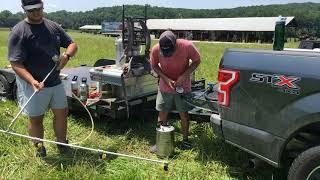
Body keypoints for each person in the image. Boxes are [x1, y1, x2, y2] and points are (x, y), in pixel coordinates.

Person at [7, 0, 78, 157]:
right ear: (24, 9)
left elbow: (72, 44)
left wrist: (66, 55)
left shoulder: (52, 26)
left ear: (42, 5)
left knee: (61, 113)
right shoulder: (19, 31)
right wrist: (32, 80)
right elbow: (15, 63)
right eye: (31, 10)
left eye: (38, 8)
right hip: (33, 85)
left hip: (55, 81)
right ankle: (40, 148)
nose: (36, 13)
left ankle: (61, 143)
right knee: (36, 119)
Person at [150, 30, 201, 150]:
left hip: (182, 86)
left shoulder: (187, 46)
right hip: (164, 85)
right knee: (162, 112)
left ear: (175, 43)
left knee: (183, 113)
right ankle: (160, 142)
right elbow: (154, 65)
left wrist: (184, 75)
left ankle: (185, 140)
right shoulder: (156, 49)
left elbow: (197, 61)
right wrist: (166, 79)